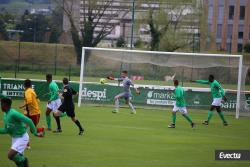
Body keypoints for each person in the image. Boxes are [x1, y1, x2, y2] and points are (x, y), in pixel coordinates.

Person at [0, 97, 42, 167]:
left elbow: (29, 121)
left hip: (22, 137)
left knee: (10, 155)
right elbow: (6, 130)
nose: (0, 106)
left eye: (1, 104)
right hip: (15, 138)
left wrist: (35, 132)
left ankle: (25, 160)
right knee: (17, 160)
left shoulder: (13, 113)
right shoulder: (5, 115)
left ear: (5, 105)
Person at [19, 79, 45, 149]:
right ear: (30, 85)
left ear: (24, 85)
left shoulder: (28, 92)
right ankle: (27, 145)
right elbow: (38, 100)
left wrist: (23, 106)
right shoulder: (32, 90)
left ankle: (41, 130)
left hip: (34, 114)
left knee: (32, 130)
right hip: (30, 113)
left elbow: (30, 101)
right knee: (25, 128)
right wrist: (27, 108)